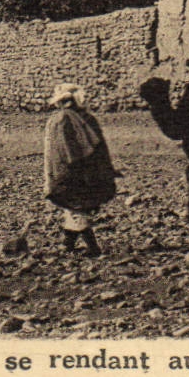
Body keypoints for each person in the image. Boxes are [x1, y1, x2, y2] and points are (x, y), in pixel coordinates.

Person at [42, 83, 118, 256]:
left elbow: (67, 150)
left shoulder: (62, 119)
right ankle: (67, 243)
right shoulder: (86, 118)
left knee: (74, 205)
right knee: (74, 207)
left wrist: (74, 168)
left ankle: (92, 247)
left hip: (70, 171)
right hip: (88, 171)